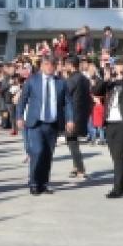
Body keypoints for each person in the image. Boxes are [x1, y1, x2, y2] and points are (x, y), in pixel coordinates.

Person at [16, 55, 70, 195]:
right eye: (47, 64)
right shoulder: (32, 80)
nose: (50, 67)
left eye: (52, 64)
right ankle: (34, 182)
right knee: (37, 152)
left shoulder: (61, 83)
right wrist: (19, 116)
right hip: (35, 123)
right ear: (41, 66)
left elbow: (68, 103)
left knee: (47, 154)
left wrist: (70, 119)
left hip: (52, 124)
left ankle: (44, 183)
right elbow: (23, 100)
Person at [96, 60, 123, 198]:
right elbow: (95, 91)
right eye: (116, 68)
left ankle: (117, 189)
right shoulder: (111, 84)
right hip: (109, 123)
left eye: (120, 68)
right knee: (117, 157)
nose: (117, 70)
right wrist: (106, 79)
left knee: (118, 155)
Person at [62, 56, 93, 178]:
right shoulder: (85, 79)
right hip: (82, 113)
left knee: (72, 141)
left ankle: (80, 168)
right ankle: (76, 166)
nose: (65, 67)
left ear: (71, 65)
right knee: (73, 141)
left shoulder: (72, 79)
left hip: (73, 114)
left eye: (66, 64)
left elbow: (65, 94)